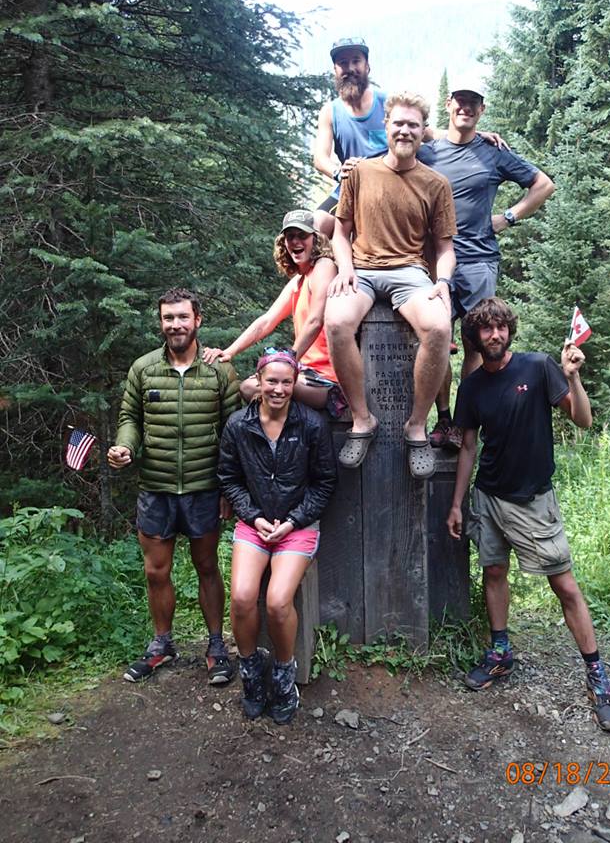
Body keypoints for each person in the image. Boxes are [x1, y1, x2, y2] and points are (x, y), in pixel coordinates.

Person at [446, 297, 610, 732]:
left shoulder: (539, 366)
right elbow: (468, 447)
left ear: (510, 330)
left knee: (564, 585)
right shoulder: (471, 387)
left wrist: (573, 376)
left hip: (533, 501)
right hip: (488, 496)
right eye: (486, 329)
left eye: (501, 327)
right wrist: (457, 503)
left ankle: (597, 675)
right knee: (493, 571)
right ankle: (500, 652)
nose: (495, 335)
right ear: (475, 336)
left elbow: (582, 420)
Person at [107, 287, 240, 685]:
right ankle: (161, 644)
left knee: (207, 567)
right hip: (156, 486)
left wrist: (228, 491)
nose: (175, 325)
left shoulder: (219, 371)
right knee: (156, 571)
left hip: (204, 487)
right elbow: (130, 418)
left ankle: (216, 645)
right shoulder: (143, 368)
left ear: (197, 320)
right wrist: (125, 446)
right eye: (168, 318)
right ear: (160, 322)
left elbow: (234, 432)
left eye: (183, 317)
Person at [325, 91, 456, 480]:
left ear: (422, 131)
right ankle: (361, 419)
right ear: (386, 126)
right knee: (337, 321)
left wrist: (443, 281)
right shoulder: (360, 173)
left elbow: (445, 248)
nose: (405, 131)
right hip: (362, 269)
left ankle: (416, 426)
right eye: (398, 123)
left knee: (438, 327)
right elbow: (340, 232)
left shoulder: (435, 184)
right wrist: (344, 267)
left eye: (413, 125)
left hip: (409, 272)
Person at [425, 84, 556, 451]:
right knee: (436, 339)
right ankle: (443, 418)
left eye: (473, 103)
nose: (465, 108)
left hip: (479, 261)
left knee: (475, 344)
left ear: (481, 109)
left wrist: (509, 217)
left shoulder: (494, 153)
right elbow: (400, 139)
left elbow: (543, 185)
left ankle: (462, 425)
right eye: (460, 101)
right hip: (434, 262)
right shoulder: (428, 150)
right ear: (448, 104)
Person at [217, 349, 337, 724]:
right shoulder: (239, 425)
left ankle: (285, 675)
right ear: (259, 381)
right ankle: (251, 672)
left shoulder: (311, 424)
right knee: (241, 597)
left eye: (287, 382)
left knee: (277, 601)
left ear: (295, 382)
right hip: (254, 523)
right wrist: (253, 517)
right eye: (272, 381)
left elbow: (325, 482)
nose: (279, 389)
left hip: (296, 526)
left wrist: (294, 519)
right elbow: (229, 478)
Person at [312, 38, 506, 237]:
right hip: (353, 185)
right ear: (335, 70)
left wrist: (472, 134)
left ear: (367, 66)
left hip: (393, 183)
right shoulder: (331, 112)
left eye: (356, 61)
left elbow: (428, 134)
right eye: (343, 63)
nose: (350, 68)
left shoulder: (387, 103)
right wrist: (339, 173)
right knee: (316, 224)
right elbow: (320, 159)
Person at [203, 210, 344, 414]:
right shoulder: (299, 281)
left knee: (258, 387)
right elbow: (267, 321)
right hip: (303, 373)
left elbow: (315, 320)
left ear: (315, 239)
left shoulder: (324, 266)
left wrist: (288, 362)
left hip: (327, 380)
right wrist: (230, 351)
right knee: (249, 388)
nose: (296, 241)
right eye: (290, 236)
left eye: (302, 235)